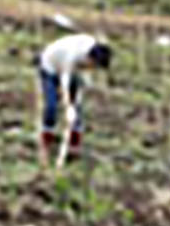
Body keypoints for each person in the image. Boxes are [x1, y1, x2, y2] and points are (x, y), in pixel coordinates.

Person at [38, 33, 113, 161]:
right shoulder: (72, 54)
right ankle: (46, 145)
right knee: (52, 106)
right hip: (50, 67)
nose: (93, 68)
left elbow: (84, 81)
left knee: (77, 110)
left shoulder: (91, 52)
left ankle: (73, 147)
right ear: (90, 58)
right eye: (94, 65)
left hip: (73, 72)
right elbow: (65, 83)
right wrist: (68, 106)